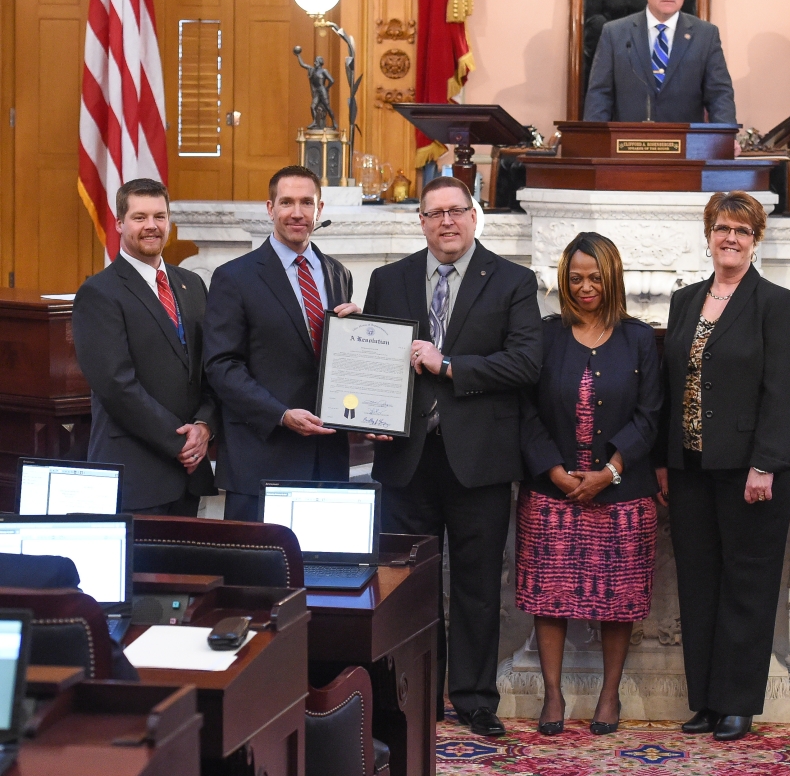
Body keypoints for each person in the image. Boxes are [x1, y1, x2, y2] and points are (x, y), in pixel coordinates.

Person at [363, 176, 541, 738]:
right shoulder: (387, 281)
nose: (446, 222)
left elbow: (525, 363)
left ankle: (472, 697)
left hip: (480, 459)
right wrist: (369, 413)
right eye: (435, 213)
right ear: (420, 220)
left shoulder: (513, 281)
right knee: (405, 586)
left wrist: (449, 365)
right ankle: (408, 695)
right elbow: (373, 367)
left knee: (476, 585)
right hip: (406, 458)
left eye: (457, 211)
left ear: (474, 216)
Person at [655, 191, 790, 742]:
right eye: (722, 228)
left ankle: (738, 702)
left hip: (752, 470)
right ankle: (706, 702)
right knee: (698, 585)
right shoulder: (685, 300)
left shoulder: (776, 302)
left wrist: (765, 463)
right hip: (691, 466)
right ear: (708, 233)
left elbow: (784, 390)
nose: (731, 238)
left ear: (756, 238)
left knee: (747, 584)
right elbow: (672, 388)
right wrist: (665, 462)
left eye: (742, 230)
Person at [516, 232, 661, 737]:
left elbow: (650, 415)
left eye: (594, 277)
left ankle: (608, 695)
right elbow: (526, 411)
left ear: (611, 277)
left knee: (618, 600)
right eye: (575, 278)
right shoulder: (546, 334)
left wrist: (610, 472)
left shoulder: (638, 338)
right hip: (551, 492)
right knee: (548, 596)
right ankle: (553, 694)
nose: (584, 287)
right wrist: (555, 471)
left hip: (620, 493)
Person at [203, 166, 358, 521]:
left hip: (326, 459)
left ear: (320, 210)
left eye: (307, 202)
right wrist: (281, 415)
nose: (297, 213)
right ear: (270, 208)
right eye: (287, 202)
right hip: (262, 459)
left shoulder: (338, 273)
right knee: (256, 574)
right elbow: (221, 366)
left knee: (323, 570)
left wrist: (360, 334)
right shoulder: (234, 276)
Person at [72, 178, 217, 515]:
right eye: (139, 217)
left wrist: (205, 426)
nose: (151, 226)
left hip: (189, 473)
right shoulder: (99, 293)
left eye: (159, 216)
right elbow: (116, 386)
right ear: (120, 223)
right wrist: (181, 441)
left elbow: (208, 367)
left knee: (188, 569)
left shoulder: (192, 284)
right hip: (136, 474)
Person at [582, 0, 736, 124]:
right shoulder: (614, 33)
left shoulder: (705, 35)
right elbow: (599, 95)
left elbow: (719, 95)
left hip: (687, 144)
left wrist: (724, 140)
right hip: (628, 143)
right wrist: (594, 141)